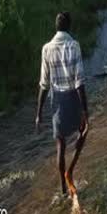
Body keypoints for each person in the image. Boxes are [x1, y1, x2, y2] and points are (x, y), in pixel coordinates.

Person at [35, 12, 89, 200]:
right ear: (69, 27)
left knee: (60, 143)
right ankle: (70, 172)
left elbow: (44, 84)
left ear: (56, 27)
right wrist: (85, 111)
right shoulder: (74, 46)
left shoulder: (46, 49)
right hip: (72, 97)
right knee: (83, 131)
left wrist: (39, 113)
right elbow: (79, 82)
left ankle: (63, 188)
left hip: (56, 98)